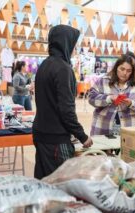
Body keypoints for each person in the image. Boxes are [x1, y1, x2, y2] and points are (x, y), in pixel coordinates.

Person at [32, 25, 93, 179]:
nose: (75, 48)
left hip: (41, 133)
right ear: (66, 43)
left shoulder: (45, 65)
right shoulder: (63, 69)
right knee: (63, 184)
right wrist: (82, 136)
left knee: (44, 183)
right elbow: (66, 110)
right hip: (56, 139)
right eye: (74, 43)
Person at [89, 55, 135, 136]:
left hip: (129, 131)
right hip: (102, 129)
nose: (125, 73)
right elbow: (91, 98)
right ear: (116, 67)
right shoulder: (103, 82)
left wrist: (132, 103)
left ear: (132, 72)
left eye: (129, 71)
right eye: (122, 69)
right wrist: (109, 98)